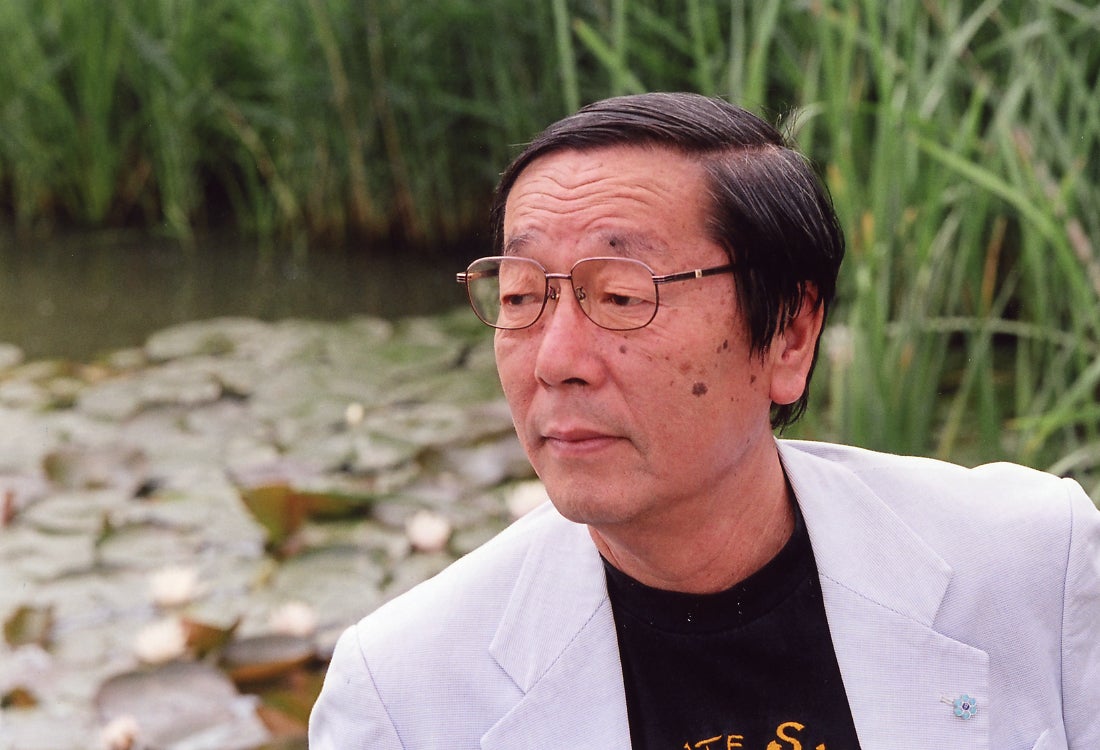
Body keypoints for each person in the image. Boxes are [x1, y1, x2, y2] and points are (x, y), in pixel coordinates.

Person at [309, 92, 1100, 749]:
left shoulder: (1030, 560)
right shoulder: (405, 692)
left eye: (621, 295)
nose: (554, 360)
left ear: (790, 335)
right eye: (520, 296)